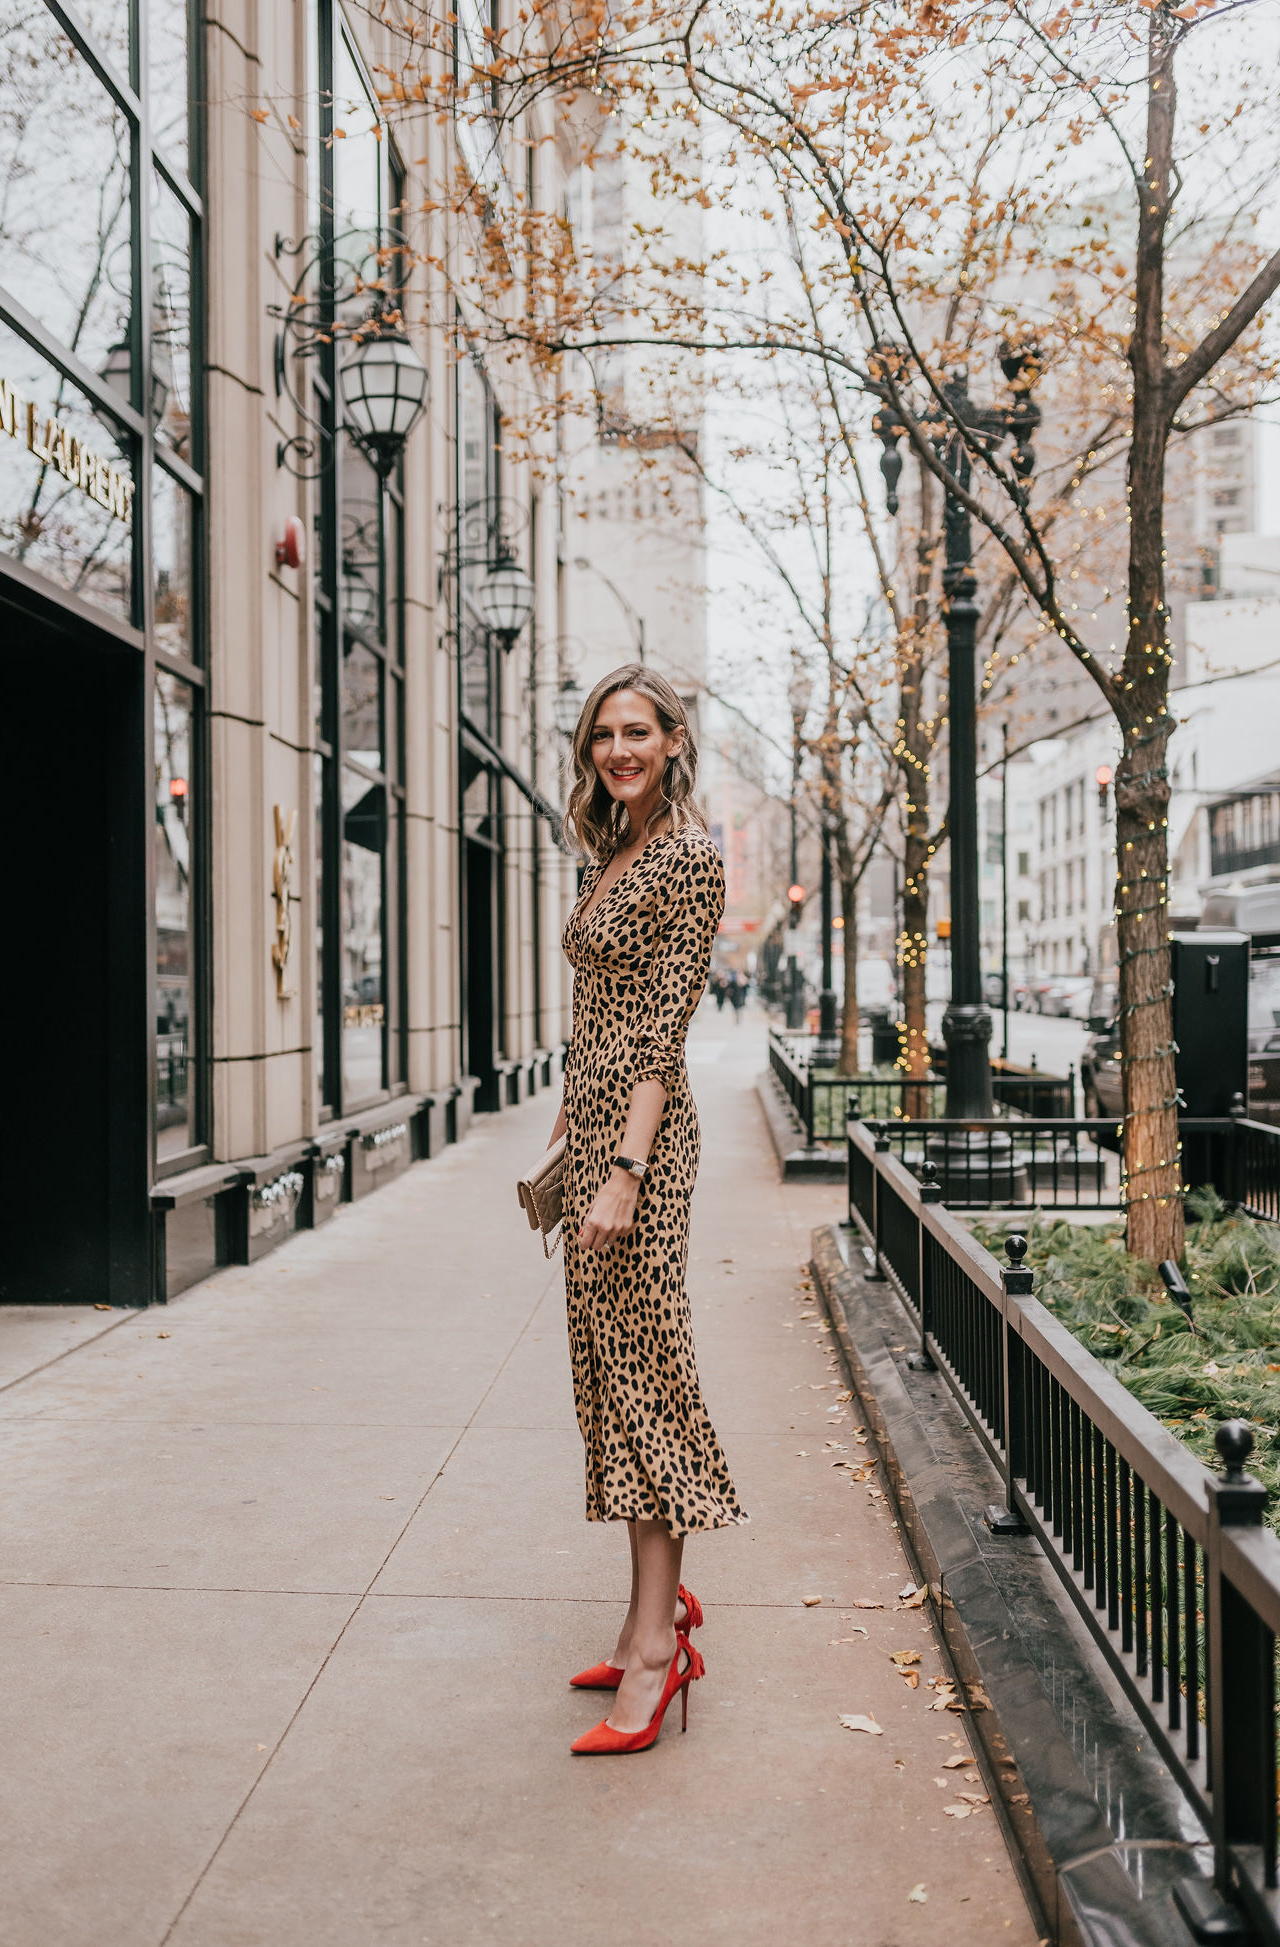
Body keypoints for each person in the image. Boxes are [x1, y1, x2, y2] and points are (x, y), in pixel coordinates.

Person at [546, 665, 746, 1757]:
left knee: (645, 1378)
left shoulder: (684, 855)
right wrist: (573, 1141)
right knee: (610, 1381)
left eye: (636, 732)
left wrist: (623, 1168)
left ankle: (662, 1654)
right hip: (598, 1138)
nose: (617, 749)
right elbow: (603, 1013)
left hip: (642, 1152)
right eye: (602, 735)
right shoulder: (615, 844)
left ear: (673, 740)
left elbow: (660, 1030)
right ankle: (643, 1622)